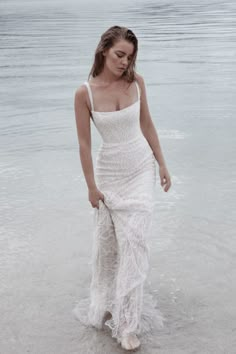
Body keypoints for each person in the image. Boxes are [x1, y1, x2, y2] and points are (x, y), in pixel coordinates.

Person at [73, 25, 171, 351]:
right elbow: (85, 146)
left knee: (135, 240)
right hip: (109, 174)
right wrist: (90, 186)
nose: (124, 63)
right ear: (103, 50)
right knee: (110, 249)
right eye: (119, 55)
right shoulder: (84, 93)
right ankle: (109, 303)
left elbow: (147, 124)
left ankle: (128, 324)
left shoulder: (137, 83)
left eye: (129, 57)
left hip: (140, 167)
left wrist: (162, 164)